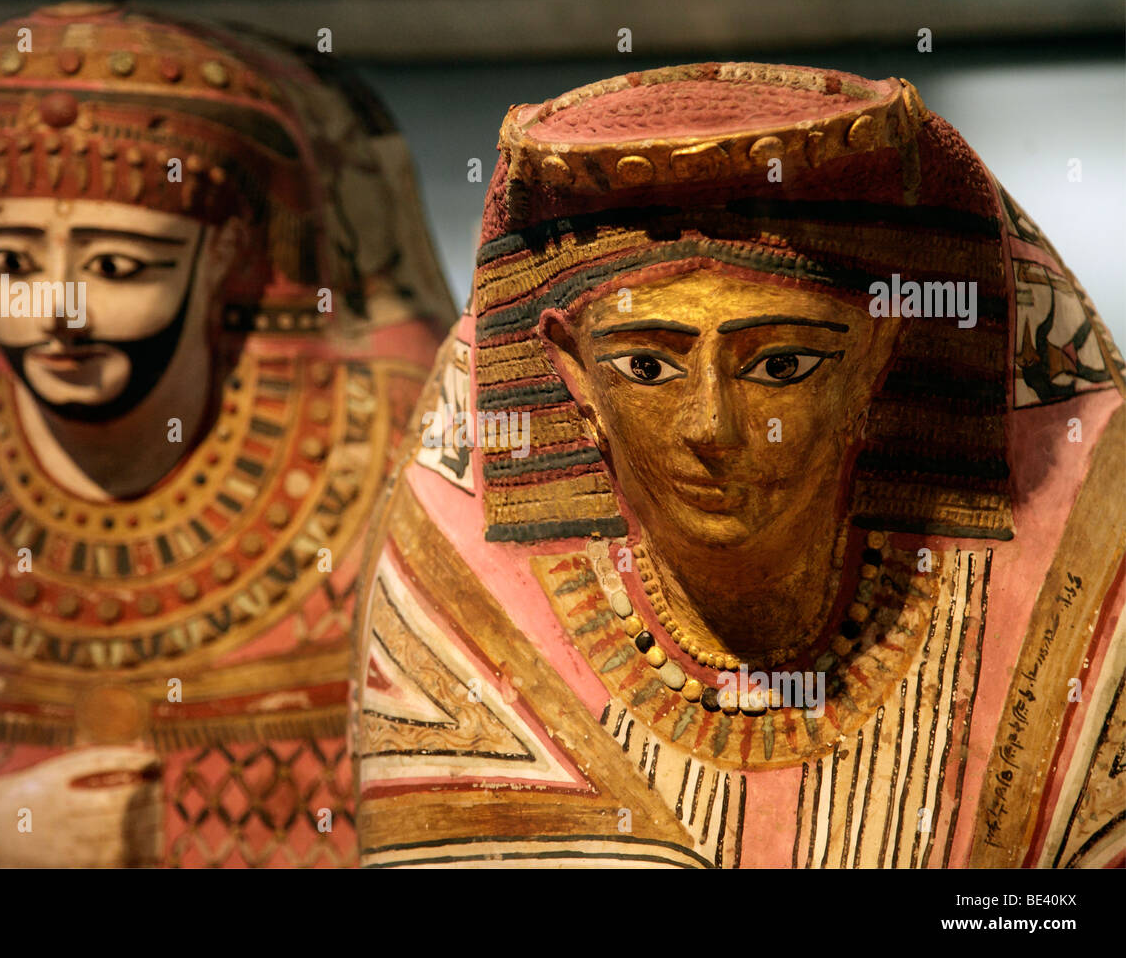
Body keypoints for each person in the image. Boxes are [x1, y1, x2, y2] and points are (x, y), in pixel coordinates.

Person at [351, 62, 1125, 868]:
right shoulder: (459, 634)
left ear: (876, 359)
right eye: (649, 367)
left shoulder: (1071, 616)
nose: (711, 428)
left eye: (780, 366)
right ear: (571, 372)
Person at [0, 2, 452, 867]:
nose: (60, 314)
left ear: (228, 249)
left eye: (118, 267)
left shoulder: (379, 444)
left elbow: (446, 804)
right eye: (7, 264)